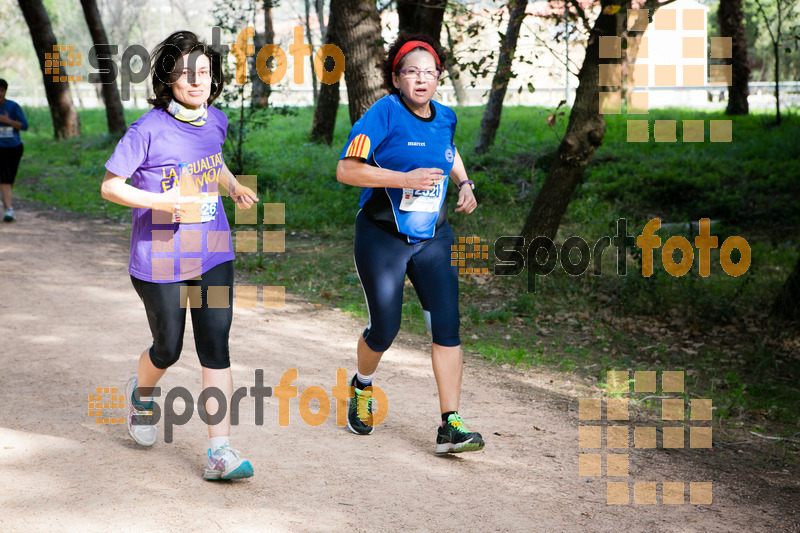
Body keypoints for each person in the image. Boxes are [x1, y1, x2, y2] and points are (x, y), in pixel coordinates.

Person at [101, 31, 258, 480]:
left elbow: (214, 158)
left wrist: (232, 186)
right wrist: (162, 204)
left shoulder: (217, 120)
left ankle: (220, 452)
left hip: (212, 250)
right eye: (186, 73)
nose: (196, 81)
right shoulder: (146, 129)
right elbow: (110, 186)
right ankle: (142, 397)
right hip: (159, 258)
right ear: (168, 78)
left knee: (216, 344)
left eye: (204, 72)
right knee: (168, 348)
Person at [336, 34, 484, 454]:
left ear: (439, 77)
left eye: (429, 72)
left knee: (447, 327)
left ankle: (449, 424)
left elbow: (448, 151)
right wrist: (404, 180)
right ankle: (362, 386)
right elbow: (346, 169)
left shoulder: (447, 116)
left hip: (434, 238)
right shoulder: (381, 114)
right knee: (386, 328)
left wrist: (465, 182)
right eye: (411, 72)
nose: (421, 79)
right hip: (382, 237)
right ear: (397, 78)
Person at [0, 79, 28, 222]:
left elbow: (24, 126)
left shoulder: (13, 106)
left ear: (5, 91)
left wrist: (7, 120)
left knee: (9, 178)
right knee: (4, 177)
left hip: (14, 147)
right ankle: (9, 209)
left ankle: (6, 200)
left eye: (1, 90)